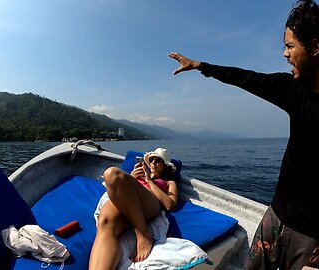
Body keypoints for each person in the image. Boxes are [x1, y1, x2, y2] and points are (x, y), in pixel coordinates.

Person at [168, 1, 319, 268]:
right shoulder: (293, 89)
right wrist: (201, 65)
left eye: (290, 46)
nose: (284, 54)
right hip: (275, 217)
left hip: (312, 239)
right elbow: (246, 77)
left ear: (315, 48)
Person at [88, 148, 178, 270]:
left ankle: (143, 233)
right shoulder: (139, 174)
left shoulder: (168, 182)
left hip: (149, 203)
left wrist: (149, 181)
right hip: (128, 201)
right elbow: (121, 189)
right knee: (105, 223)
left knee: (112, 174)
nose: (153, 163)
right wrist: (131, 177)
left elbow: (169, 204)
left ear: (166, 166)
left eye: (158, 161)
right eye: (151, 160)